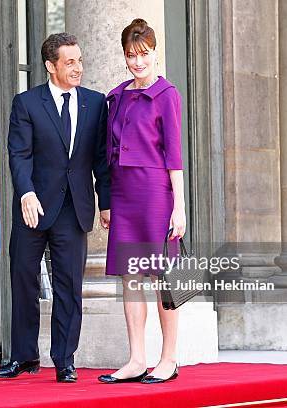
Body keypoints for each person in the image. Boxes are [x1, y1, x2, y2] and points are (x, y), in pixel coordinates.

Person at [0, 33, 111, 383]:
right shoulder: (27, 103)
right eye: (70, 62)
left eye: (80, 60)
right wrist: (26, 193)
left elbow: (101, 161)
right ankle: (24, 356)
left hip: (73, 207)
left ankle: (64, 359)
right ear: (51, 65)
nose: (78, 68)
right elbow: (19, 154)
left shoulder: (95, 103)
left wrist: (106, 202)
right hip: (34, 207)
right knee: (23, 280)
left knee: (68, 285)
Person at [97, 18, 186, 385]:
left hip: (156, 196)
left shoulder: (167, 95)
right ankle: (136, 359)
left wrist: (179, 207)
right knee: (131, 278)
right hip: (123, 195)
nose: (137, 62)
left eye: (144, 54)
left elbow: (175, 156)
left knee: (163, 278)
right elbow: (106, 154)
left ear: (154, 53)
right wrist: (106, 202)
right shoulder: (115, 97)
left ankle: (169, 359)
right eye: (131, 55)